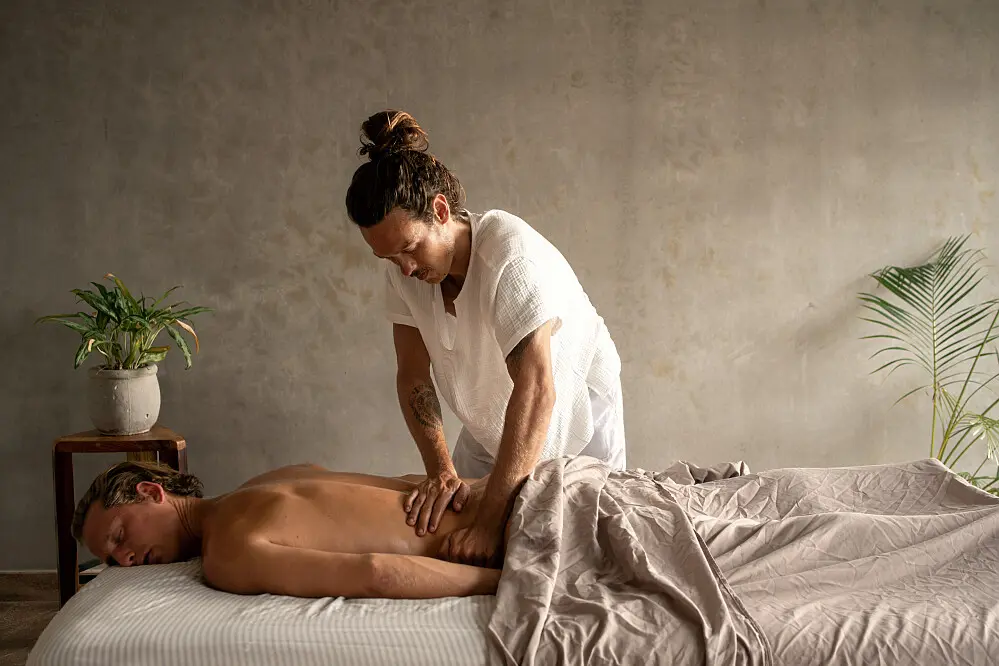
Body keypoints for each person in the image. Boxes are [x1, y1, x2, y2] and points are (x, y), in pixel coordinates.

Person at [344, 110, 626, 567]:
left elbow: (537, 389)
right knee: (453, 524)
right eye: (389, 258)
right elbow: (413, 376)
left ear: (440, 211)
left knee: (582, 553)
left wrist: (489, 525)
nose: (405, 269)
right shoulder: (403, 270)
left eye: (410, 249)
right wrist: (440, 471)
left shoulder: (509, 258)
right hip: (489, 411)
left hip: (573, 410)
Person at [73, 460, 504, 599]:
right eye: (111, 559)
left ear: (151, 492)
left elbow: (376, 573)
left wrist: (504, 581)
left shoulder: (225, 552)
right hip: (507, 489)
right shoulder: (268, 479)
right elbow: (405, 483)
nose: (124, 560)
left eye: (119, 536)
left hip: (511, 533)